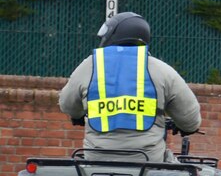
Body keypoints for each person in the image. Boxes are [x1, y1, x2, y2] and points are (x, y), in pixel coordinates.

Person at [59, 12, 201, 162]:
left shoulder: (90, 66)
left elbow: (67, 105)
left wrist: (78, 115)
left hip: (96, 158)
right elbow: (190, 118)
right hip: (147, 161)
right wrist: (186, 127)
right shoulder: (161, 70)